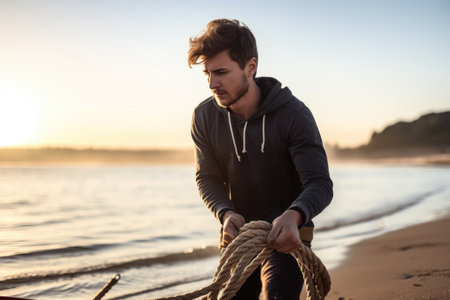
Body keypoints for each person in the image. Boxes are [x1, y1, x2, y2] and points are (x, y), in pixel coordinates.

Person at [188, 19, 333, 300]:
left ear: (250, 67)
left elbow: (319, 183)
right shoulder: (204, 117)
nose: (212, 84)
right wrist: (224, 212)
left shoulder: (293, 114)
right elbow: (207, 177)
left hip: (289, 236)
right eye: (206, 73)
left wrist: (295, 215)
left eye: (220, 72)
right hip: (239, 238)